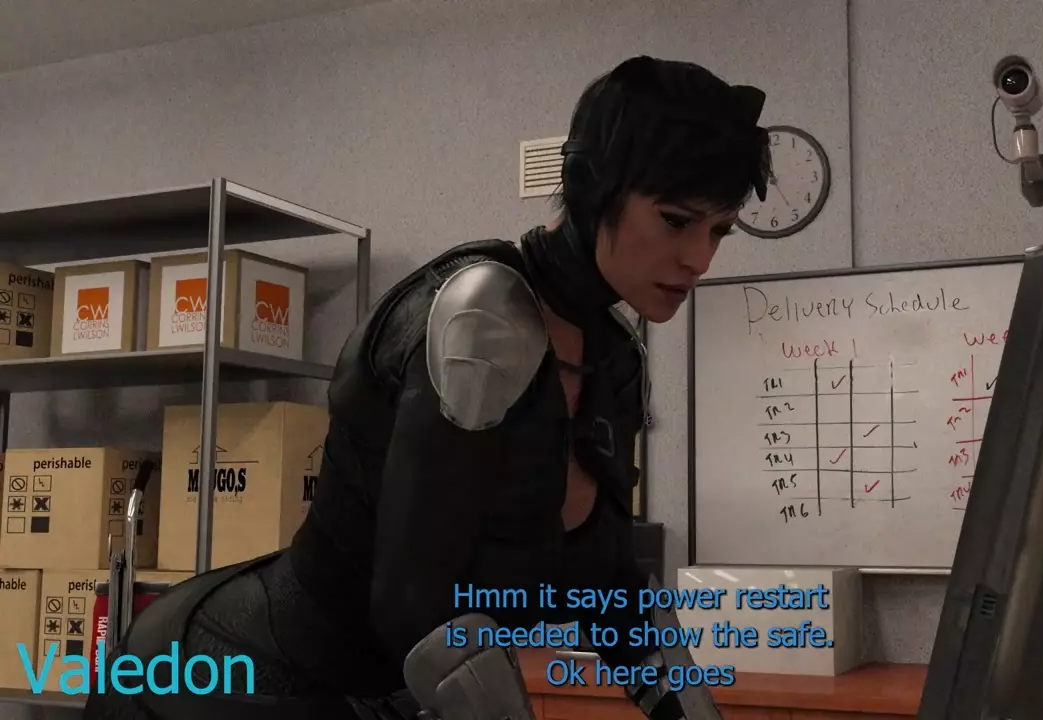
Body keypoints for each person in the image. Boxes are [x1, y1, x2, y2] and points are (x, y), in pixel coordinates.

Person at [83, 55, 771, 720]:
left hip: (374, 694)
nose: (700, 258)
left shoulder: (613, 358)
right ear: (592, 188)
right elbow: (416, 606)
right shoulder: (482, 316)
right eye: (676, 221)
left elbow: (614, 592)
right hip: (228, 680)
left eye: (719, 230)